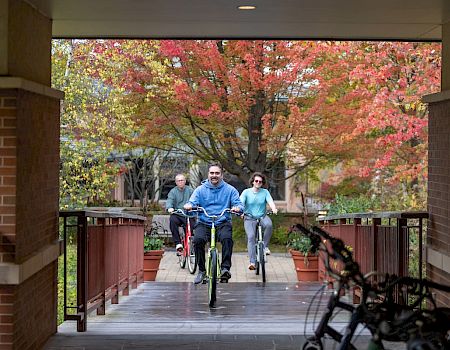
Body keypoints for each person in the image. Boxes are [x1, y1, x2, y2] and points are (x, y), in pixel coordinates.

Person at [184, 163, 243, 284]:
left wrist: (237, 208)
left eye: (217, 173)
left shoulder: (230, 190)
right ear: (208, 174)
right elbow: (192, 202)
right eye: (212, 173)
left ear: (221, 175)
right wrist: (189, 206)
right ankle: (201, 270)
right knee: (198, 240)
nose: (214, 175)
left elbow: (239, 204)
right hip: (204, 222)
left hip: (222, 222)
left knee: (227, 239)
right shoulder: (200, 190)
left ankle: (225, 269)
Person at [240, 172, 278, 271]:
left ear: (262, 183)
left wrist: (274, 208)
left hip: (262, 216)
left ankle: (265, 246)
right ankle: (252, 262)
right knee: (251, 237)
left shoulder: (265, 192)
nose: (258, 183)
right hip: (249, 218)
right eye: (256, 181)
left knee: (269, 224)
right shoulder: (246, 192)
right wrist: (241, 211)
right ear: (252, 181)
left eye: (260, 182)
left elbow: (270, 201)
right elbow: (241, 203)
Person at [166, 173, 194, 255]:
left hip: (188, 214)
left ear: (185, 181)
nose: (180, 182)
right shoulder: (173, 192)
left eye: (182, 180)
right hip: (178, 214)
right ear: (176, 182)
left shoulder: (190, 190)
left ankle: (190, 244)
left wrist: (194, 206)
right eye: (178, 181)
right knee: (172, 220)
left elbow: (195, 199)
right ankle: (178, 244)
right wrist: (169, 207)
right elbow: (170, 200)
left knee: (192, 227)